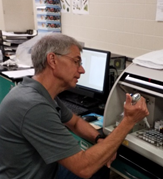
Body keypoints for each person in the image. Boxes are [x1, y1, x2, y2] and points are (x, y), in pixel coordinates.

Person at [0, 33, 149, 179]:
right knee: (94, 166)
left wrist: (98, 139)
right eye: (76, 61)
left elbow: (75, 122)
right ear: (52, 60)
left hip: (47, 169)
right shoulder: (34, 106)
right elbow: (84, 168)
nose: (82, 70)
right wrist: (128, 121)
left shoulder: (39, 93)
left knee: (100, 164)